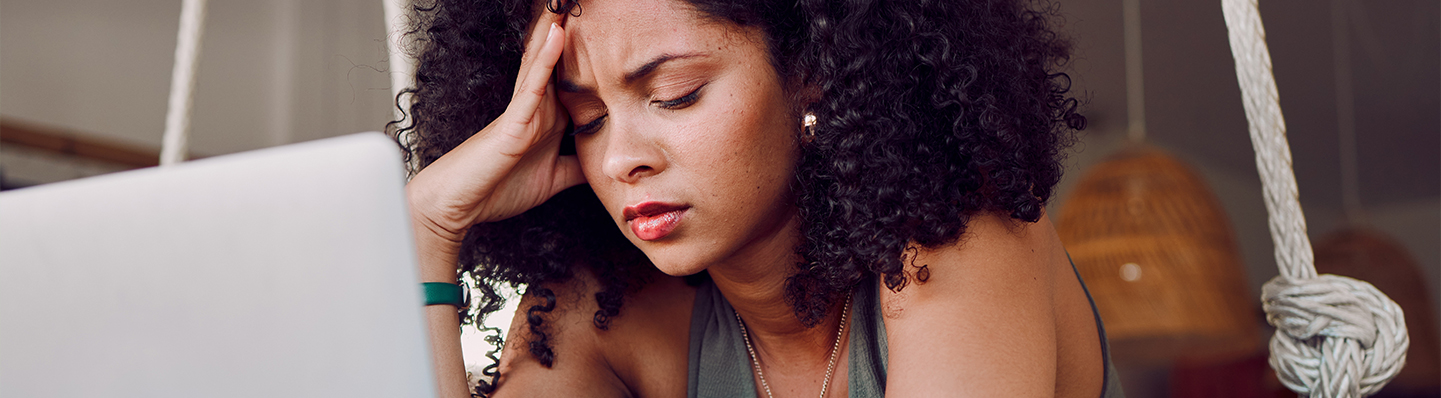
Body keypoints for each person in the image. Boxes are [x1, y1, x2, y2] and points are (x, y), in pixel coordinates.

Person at [393, 0, 1121, 396]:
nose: (619, 159)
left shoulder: (959, 232)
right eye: (586, 119)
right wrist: (428, 228)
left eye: (674, 96)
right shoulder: (604, 316)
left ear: (811, 69)